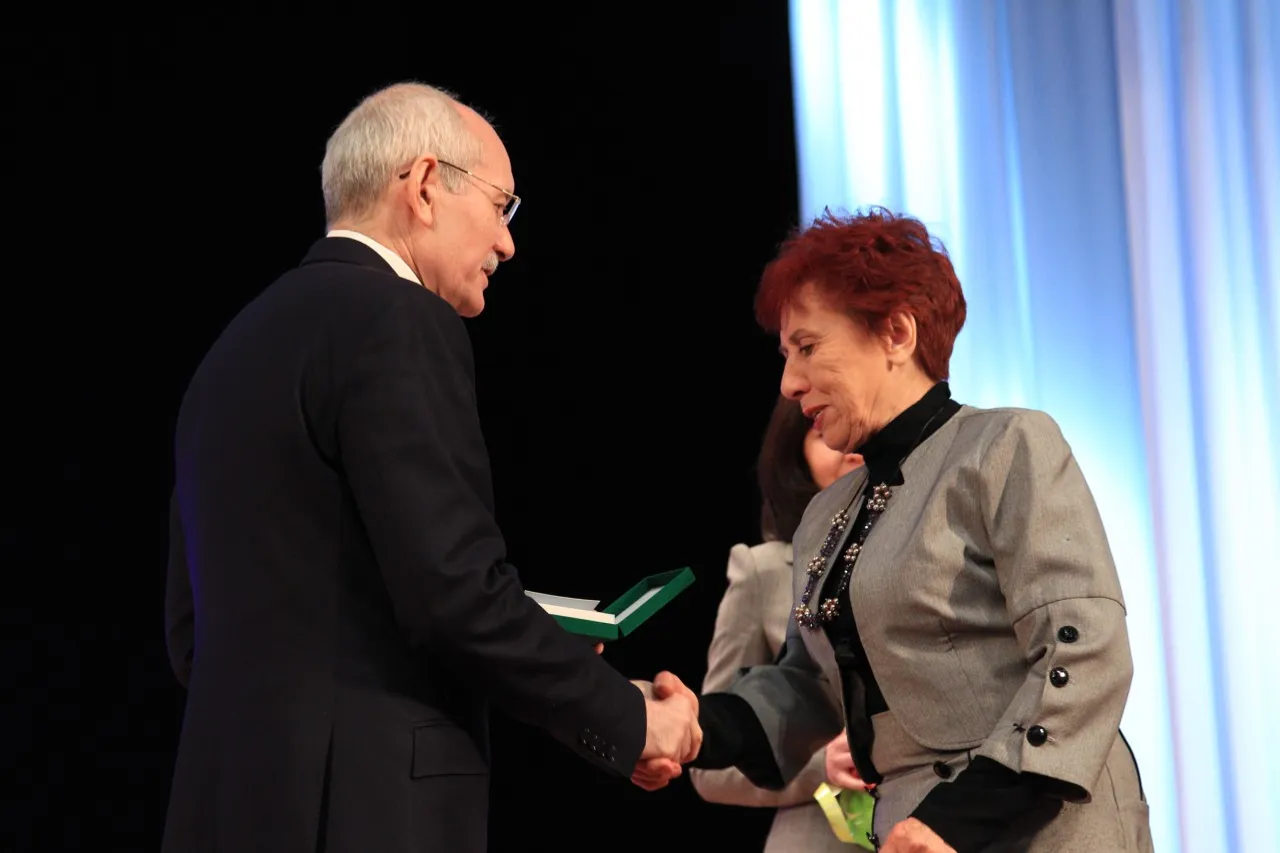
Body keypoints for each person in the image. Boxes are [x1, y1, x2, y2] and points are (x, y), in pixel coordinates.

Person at [161, 81, 699, 853]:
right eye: (501, 206)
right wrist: (628, 718)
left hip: (225, 805)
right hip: (362, 810)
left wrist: (532, 643)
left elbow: (195, 634)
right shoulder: (399, 317)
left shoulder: (229, 351)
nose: (508, 243)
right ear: (422, 186)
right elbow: (452, 593)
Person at [637, 208, 1153, 852]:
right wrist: (694, 724)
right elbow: (809, 687)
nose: (789, 383)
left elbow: (1084, 649)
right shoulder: (827, 514)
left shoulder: (1006, 444)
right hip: (911, 829)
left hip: (1043, 826)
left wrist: (956, 819)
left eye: (808, 347)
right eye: (785, 355)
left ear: (897, 333)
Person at [689, 394, 864, 852]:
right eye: (824, 431)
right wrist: (823, 767)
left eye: (865, 429)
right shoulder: (763, 570)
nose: (850, 447)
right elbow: (710, 765)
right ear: (795, 453)